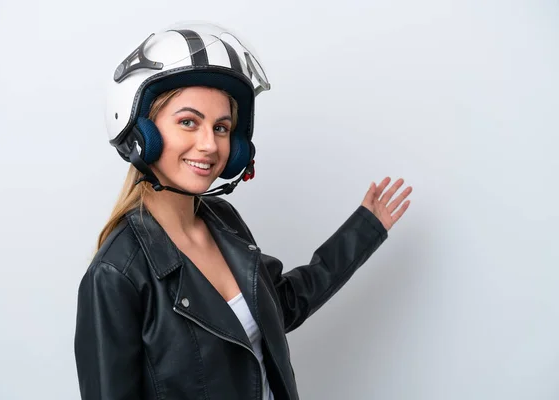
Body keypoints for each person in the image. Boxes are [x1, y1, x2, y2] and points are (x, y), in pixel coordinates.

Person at [74, 21, 412, 400]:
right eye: (189, 122)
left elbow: (281, 305)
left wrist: (364, 229)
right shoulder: (115, 274)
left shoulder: (224, 221)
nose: (209, 145)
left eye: (221, 128)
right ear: (142, 136)